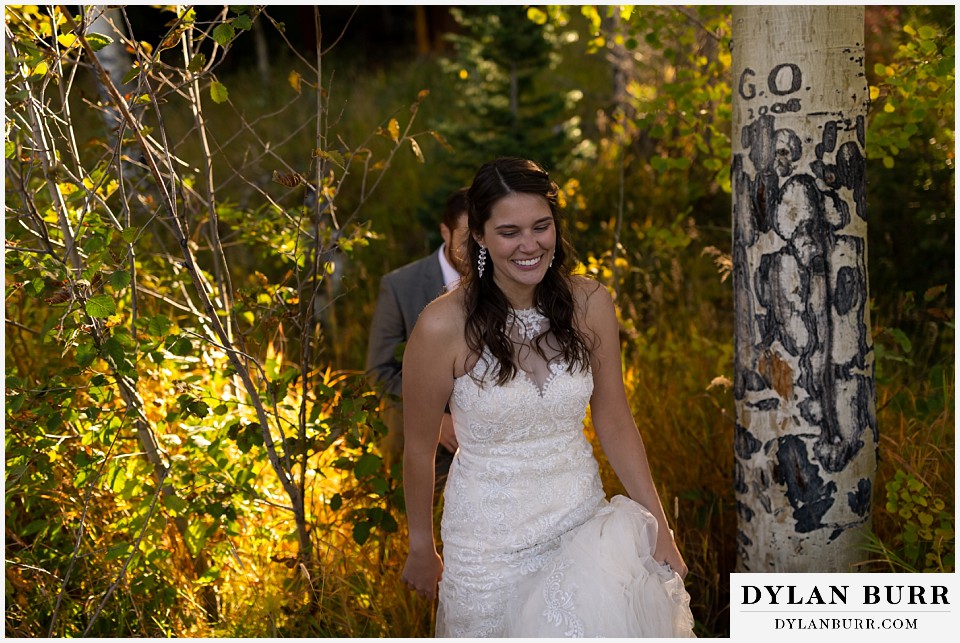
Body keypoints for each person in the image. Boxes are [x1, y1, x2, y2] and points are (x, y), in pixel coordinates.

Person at [401, 158, 695, 637]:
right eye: (509, 231)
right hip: (487, 545)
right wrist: (420, 545)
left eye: (542, 227)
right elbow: (417, 449)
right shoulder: (442, 325)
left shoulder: (590, 303)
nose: (530, 245)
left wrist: (662, 526)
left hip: (580, 525)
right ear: (478, 235)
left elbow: (615, 420)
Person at [366, 188, 470, 482]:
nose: (476, 254)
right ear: (445, 233)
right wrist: (435, 421)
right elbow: (380, 371)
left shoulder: (503, 281)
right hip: (427, 453)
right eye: (466, 242)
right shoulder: (400, 286)